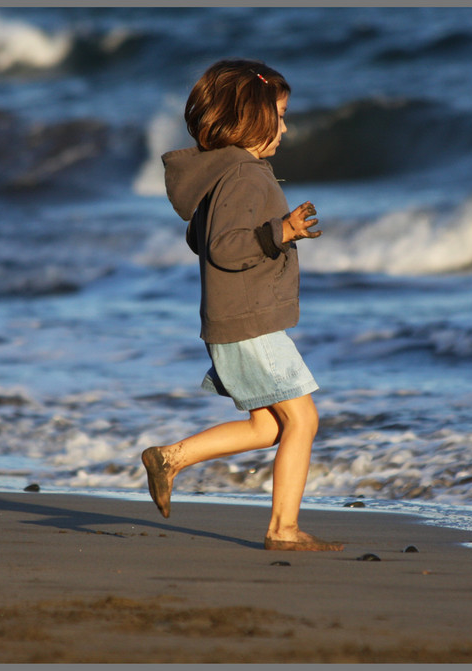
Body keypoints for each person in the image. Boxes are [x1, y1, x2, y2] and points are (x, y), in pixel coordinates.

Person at [141, 59, 343, 552]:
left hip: (235, 322)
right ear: (251, 117)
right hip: (249, 324)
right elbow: (224, 247)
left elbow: (201, 239)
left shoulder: (223, 175)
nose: (286, 126)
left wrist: (273, 231)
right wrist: (282, 231)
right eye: (280, 113)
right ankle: (283, 530)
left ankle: (170, 458)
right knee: (303, 420)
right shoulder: (244, 176)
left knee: (267, 425)